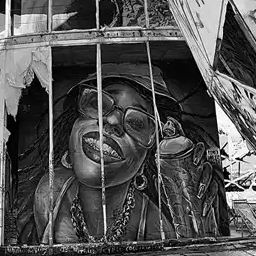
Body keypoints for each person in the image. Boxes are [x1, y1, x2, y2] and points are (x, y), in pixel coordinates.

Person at [31, 66, 175, 243]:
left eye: (136, 123)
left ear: (146, 159)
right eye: (98, 105)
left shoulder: (155, 225)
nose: (112, 121)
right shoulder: (50, 191)